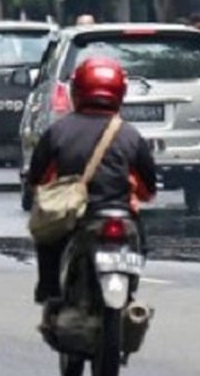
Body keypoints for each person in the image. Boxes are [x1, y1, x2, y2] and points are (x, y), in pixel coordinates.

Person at [26, 57, 157, 304]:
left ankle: (50, 289)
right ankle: (130, 290)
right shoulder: (130, 134)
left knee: (47, 239)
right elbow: (148, 190)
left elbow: (38, 180)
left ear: (77, 91)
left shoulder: (58, 132)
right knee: (141, 243)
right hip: (121, 214)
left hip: (76, 216)